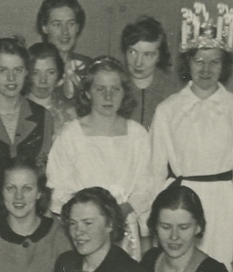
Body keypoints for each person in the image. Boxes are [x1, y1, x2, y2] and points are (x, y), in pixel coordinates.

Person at [150, 5, 233, 270]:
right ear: (188, 62)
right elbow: (154, 171)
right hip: (179, 203)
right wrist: (152, 221)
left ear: (224, 65)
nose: (206, 69)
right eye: (199, 61)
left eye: (214, 62)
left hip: (223, 207)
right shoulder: (168, 110)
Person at [46, 57, 155, 258]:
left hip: (124, 229)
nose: (108, 96)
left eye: (115, 89)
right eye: (100, 89)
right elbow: (58, 188)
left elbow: (146, 184)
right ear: (88, 93)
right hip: (83, 232)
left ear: (124, 93)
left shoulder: (137, 135)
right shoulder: (71, 135)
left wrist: (123, 210)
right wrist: (90, 216)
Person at [0, 37, 53, 208]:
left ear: (26, 72)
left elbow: (43, 178)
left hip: (30, 210)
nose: (11, 78)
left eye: (18, 70)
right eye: (2, 70)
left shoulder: (43, 116)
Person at [121, 15, 179, 129]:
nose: (138, 63)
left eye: (147, 55)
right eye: (132, 52)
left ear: (159, 56)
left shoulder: (172, 90)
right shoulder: (114, 85)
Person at [36, 0, 92, 102]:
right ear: (44, 27)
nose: (65, 32)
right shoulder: (31, 66)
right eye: (57, 24)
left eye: (71, 24)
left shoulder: (88, 67)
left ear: (77, 27)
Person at [26, 42, 77, 141]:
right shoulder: (16, 110)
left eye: (50, 72)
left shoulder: (70, 114)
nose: (43, 80)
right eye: (35, 73)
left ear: (59, 74)